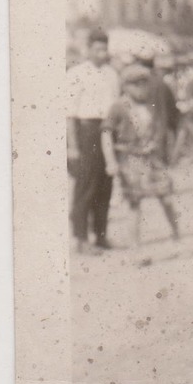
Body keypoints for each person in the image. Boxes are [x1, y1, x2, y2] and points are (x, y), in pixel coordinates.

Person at [104, 64, 181, 244]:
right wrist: (110, 161)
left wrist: (158, 144)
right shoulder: (118, 107)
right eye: (135, 84)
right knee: (134, 202)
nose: (141, 89)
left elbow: (159, 127)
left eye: (144, 84)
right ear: (125, 86)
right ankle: (135, 246)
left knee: (166, 196)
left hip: (151, 157)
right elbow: (106, 133)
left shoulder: (151, 105)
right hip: (130, 159)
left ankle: (177, 234)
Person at [67, 29, 121, 254]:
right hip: (86, 131)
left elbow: (116, 109)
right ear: (88, 49)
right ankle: (80, 239)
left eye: (104, 48)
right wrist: (72, 146)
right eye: (97, 49)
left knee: (105, 186)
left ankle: (101, 236)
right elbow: (69, 114)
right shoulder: (76, 73)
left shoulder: (112, 74)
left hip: (108, 131)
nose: (102, 53)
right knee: (85, 187)